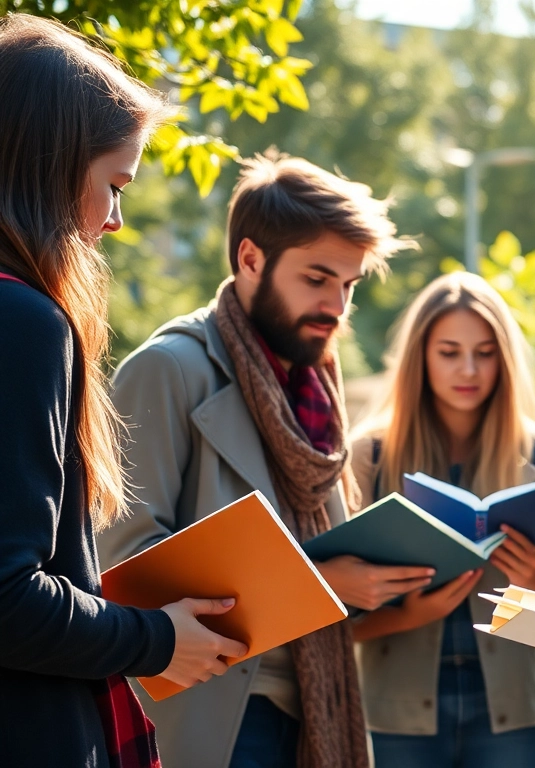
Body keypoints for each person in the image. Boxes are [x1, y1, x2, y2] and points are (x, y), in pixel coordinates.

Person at [98, 153, 419, 768]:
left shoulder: (314, 384)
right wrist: (324, 584)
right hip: (215, 710)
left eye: (348, 286)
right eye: (317, 278)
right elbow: (127, 567)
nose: (336, 305)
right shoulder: (167, 369)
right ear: (250, 259)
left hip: (313, 705)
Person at [0, 14, 251, 768]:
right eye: (114, 185)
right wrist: (158, 638)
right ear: (45, 165)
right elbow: (8, 599)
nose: (114, 221)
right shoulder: (21, 320)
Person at [347, 271, 535, 767]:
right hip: (397, 706)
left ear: (505, 358)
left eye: (485, 352)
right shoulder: (368, 455)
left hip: (513, 706)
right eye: (449, 352)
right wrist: (407, 614)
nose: (469, 369)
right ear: (420, 357)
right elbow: (333, 616)